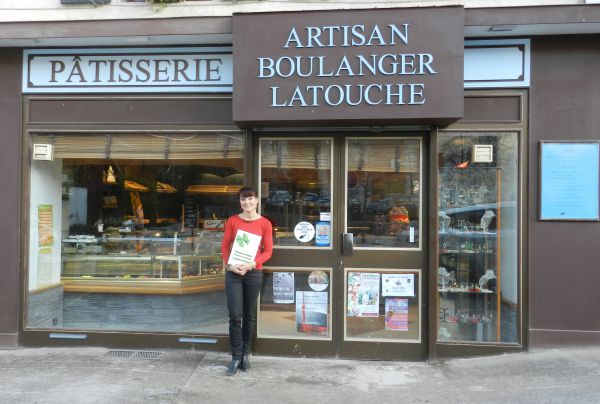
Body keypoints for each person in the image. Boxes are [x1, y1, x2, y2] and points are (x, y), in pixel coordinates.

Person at [221, 186, 273, 376]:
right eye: (243, 199)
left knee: (249, 315)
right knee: (235, 315)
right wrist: (229, 265)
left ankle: (245, 353)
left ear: (257, 201)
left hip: (253, 273)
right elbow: (225, 246)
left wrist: (252, 264)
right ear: (240, 202)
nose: (247, 202)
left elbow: (268, 251)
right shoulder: (233, 221)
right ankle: (235, 356)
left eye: (250, 199)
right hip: (233, 273)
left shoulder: (265, 224)